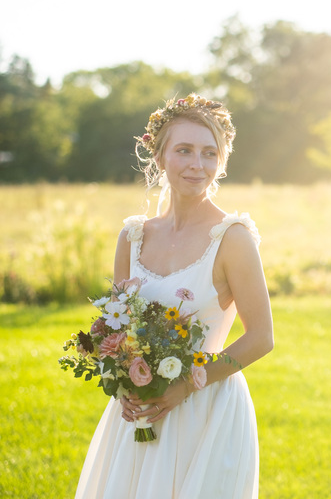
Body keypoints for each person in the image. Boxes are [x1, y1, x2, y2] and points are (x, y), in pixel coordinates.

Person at [75, 94, 274, 498]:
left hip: (206, 411)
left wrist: (186, 386)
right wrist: (125, 386)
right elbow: (120, 327)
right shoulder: (132, 237)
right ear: (160, 154)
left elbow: (261, 338)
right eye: (184, 150)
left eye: (209, 153)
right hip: (138, 411)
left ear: (221, 160)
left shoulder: (232, 239)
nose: (196, 165)